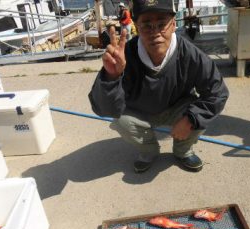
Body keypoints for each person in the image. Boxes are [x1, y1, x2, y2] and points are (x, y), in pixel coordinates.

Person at [88, 0, 229, 173]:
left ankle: (183, 150)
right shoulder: (124, 56)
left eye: (162, 24)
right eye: (147, 25)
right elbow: (105, 110)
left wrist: (191, 119)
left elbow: (218, 92)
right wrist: (111, 76)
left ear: (173, 25)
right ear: (137, 27)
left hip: (177, 108)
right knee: (121, 121)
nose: (155, 33)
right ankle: (148, 152)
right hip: (140, 112)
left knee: (199, 116)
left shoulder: (191, 54)